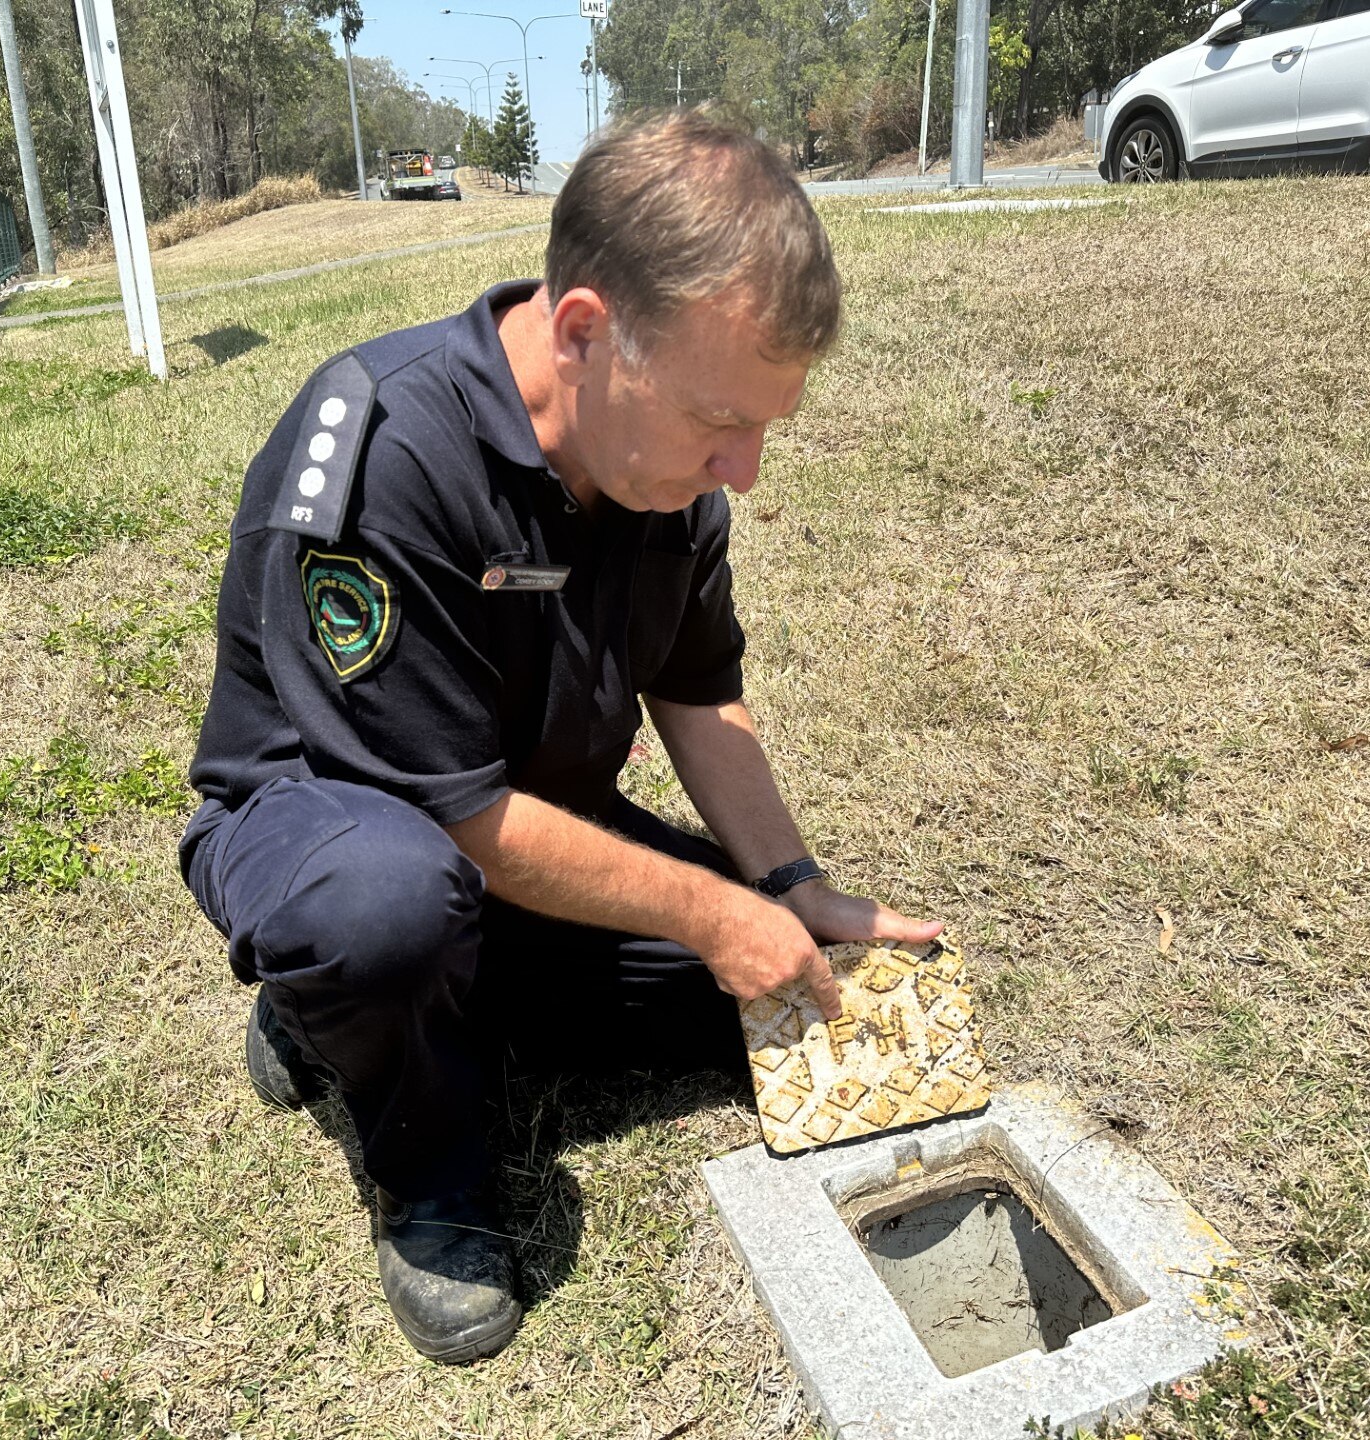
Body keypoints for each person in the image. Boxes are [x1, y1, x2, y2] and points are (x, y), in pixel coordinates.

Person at [179, 109, 941, 1366]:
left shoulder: (666, 470)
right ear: (584, 330)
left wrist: (791, 892)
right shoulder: (385, 449)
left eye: (765, 429)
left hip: (528, 826)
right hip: (339, 825)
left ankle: (391, 1015)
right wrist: (705, 909)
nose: (743, 470)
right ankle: (420, 1156)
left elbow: (698, 694)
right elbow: (453, 816)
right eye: (720, 422)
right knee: (389, 912)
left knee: (770, 999)